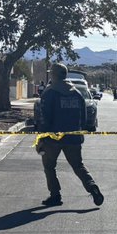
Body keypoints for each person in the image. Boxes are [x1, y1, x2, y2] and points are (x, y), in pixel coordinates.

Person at [35, 62, 104, 208]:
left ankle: (55, 195)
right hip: (73, 137)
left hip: (53, 139)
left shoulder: (50, 92)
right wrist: (80, 131)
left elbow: (44, 117)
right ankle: (92, 187)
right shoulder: (76, 93)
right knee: (78, 165)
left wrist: (41, 138)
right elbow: (84, 117)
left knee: (49, 166)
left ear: (53, 75)